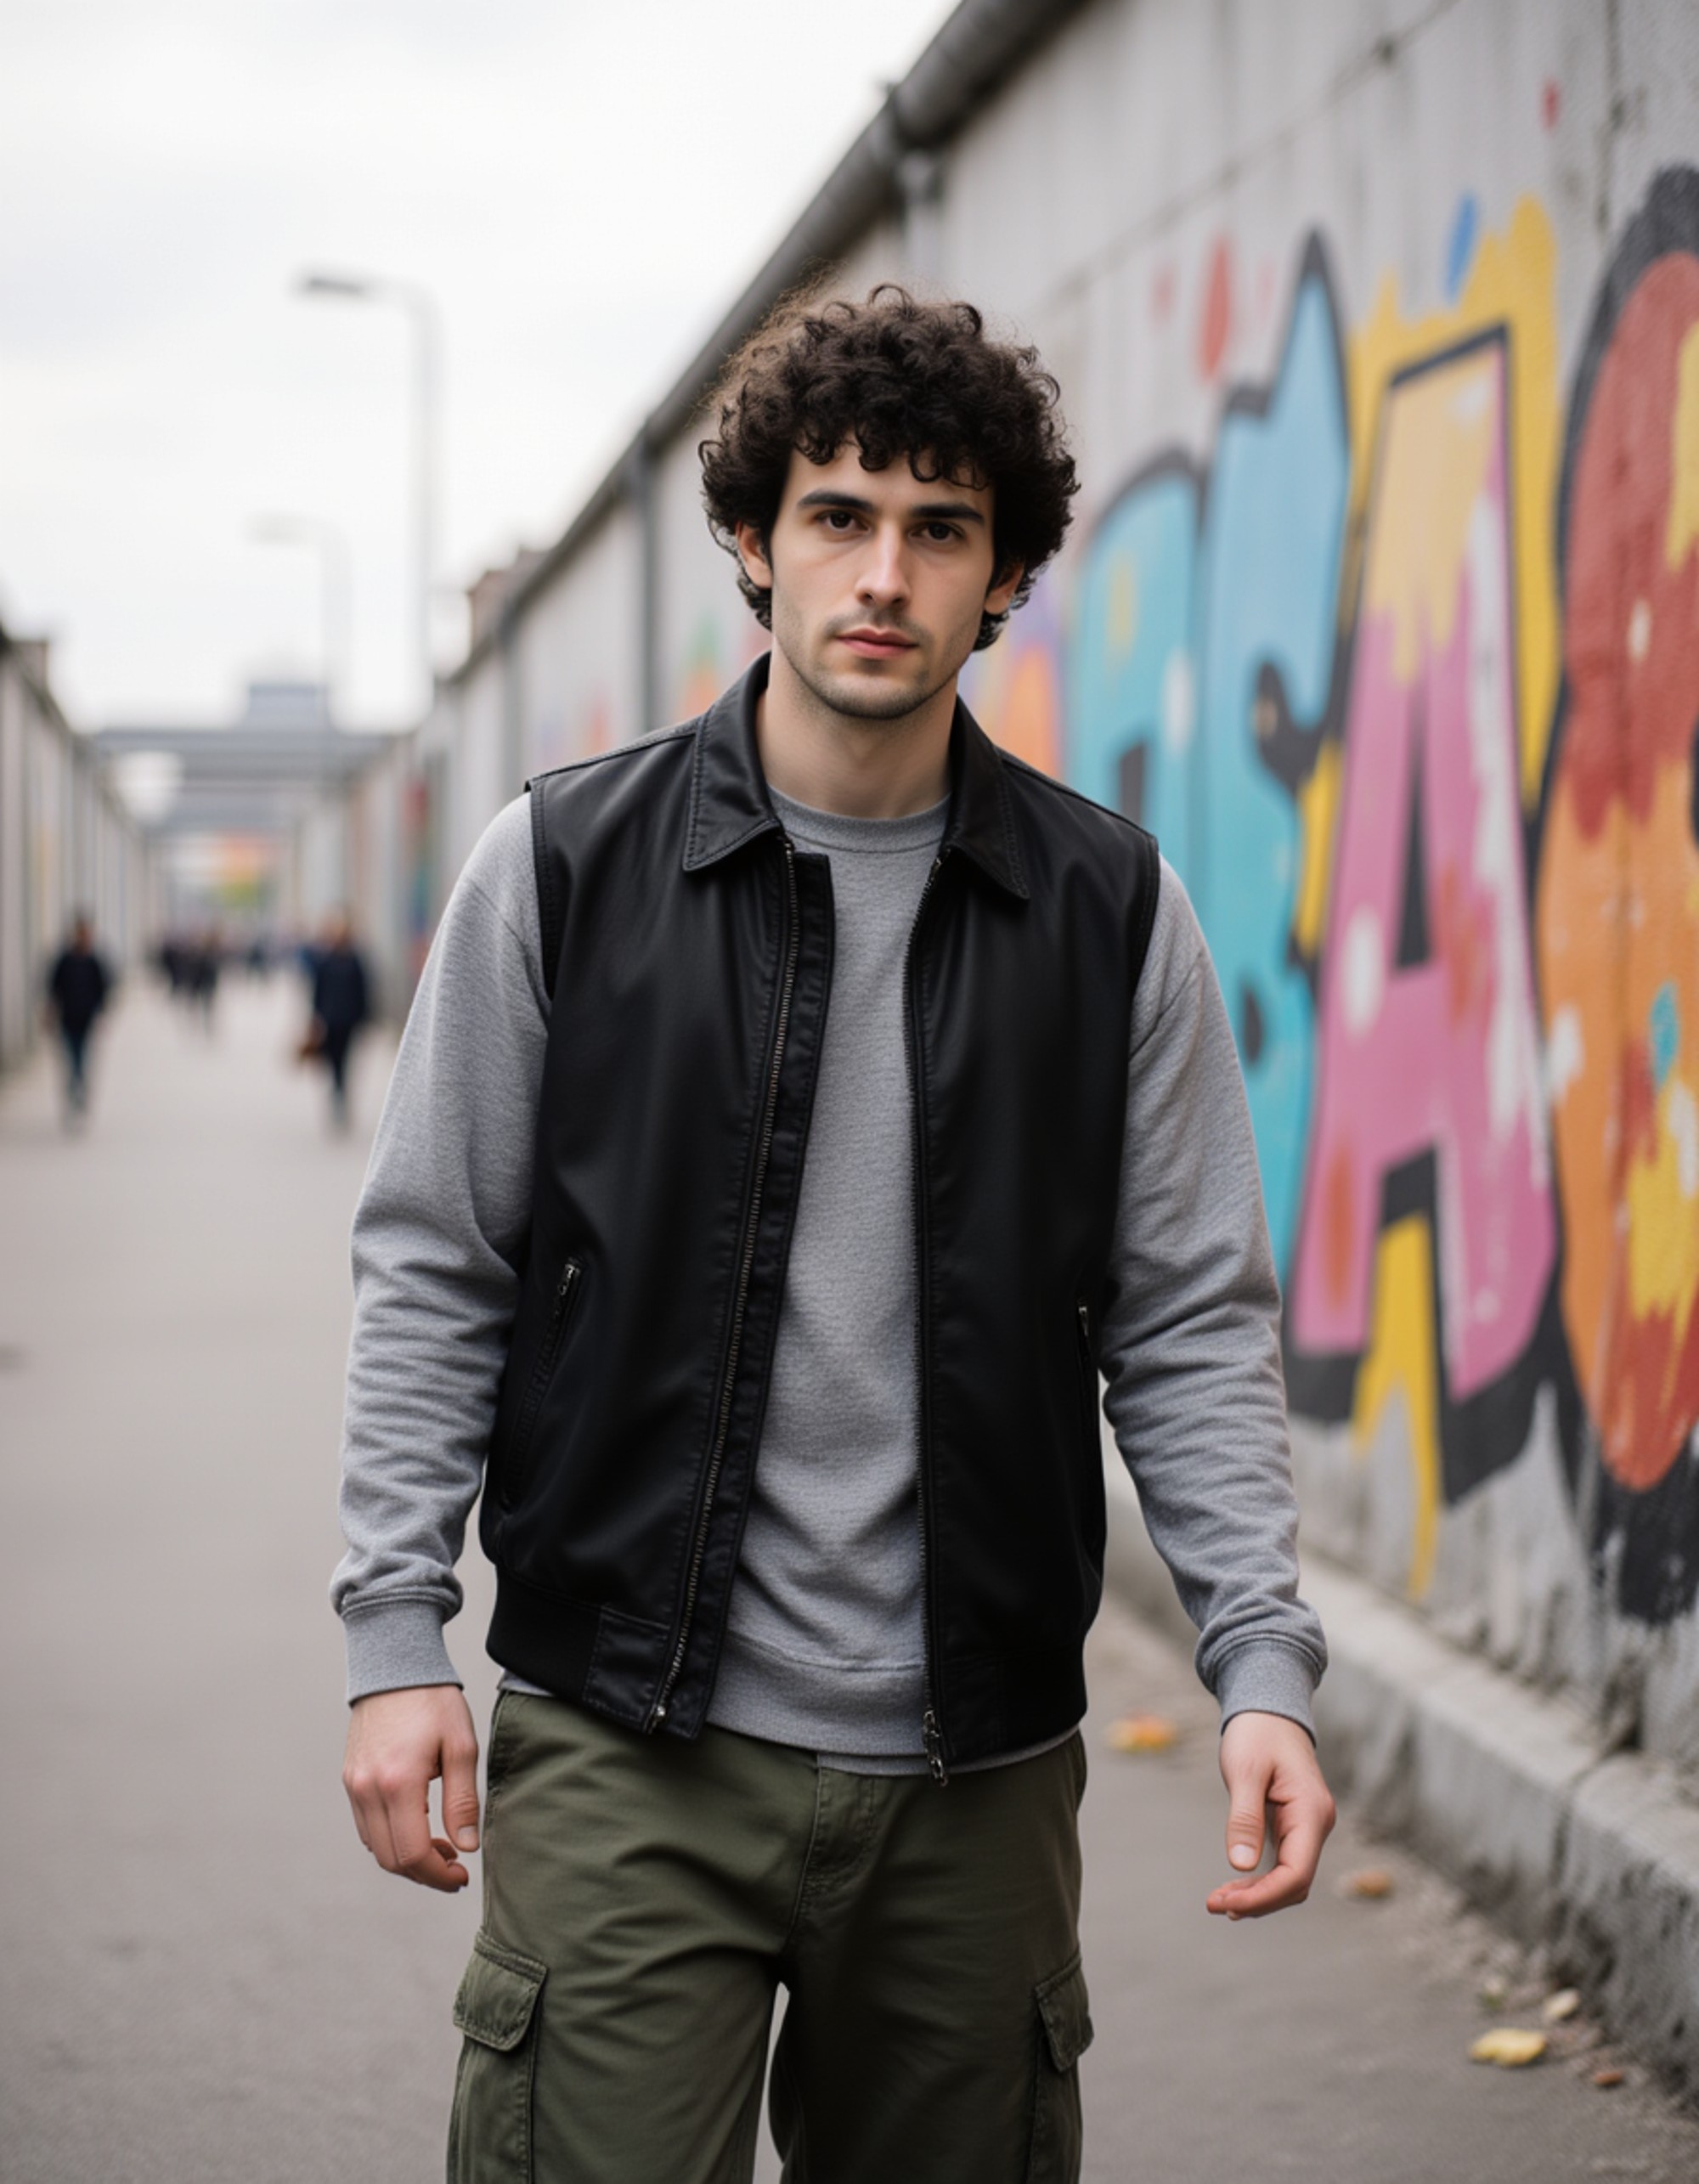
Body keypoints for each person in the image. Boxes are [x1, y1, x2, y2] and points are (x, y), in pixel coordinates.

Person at [333, 287, 1334, 2183]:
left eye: (939, 528)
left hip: (974, 1778)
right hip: (630, 1746)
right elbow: (434, 1261)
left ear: (1004, 574)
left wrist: (1257, 1667)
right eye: (839, 515)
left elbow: (1193, 1319)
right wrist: (396, 1634)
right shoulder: (562, 869)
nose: (884, 572)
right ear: (752, 541)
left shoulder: (1110, 913)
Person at [44, 911, 112, 1122]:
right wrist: (49, 1012)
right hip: (67, 1017)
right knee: (71, 1057)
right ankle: (75, 1089)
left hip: (87, 1018)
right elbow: (53, 987)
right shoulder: (64, 960)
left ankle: (79, 1087)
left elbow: (104, 988)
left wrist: (101, 1013)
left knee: (83, 1056)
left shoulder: (94, 961)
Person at [307, 911, 371, 1127]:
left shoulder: (355, 960)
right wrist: (315, 1018)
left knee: (345, 1060)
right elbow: (317, 991)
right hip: (330, 1021)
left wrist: (365, 1018)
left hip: (350, 1021)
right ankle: (337, 1090)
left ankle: (341, 1093)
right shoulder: (325, 961)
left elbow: (364, 991)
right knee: (332, 1059)